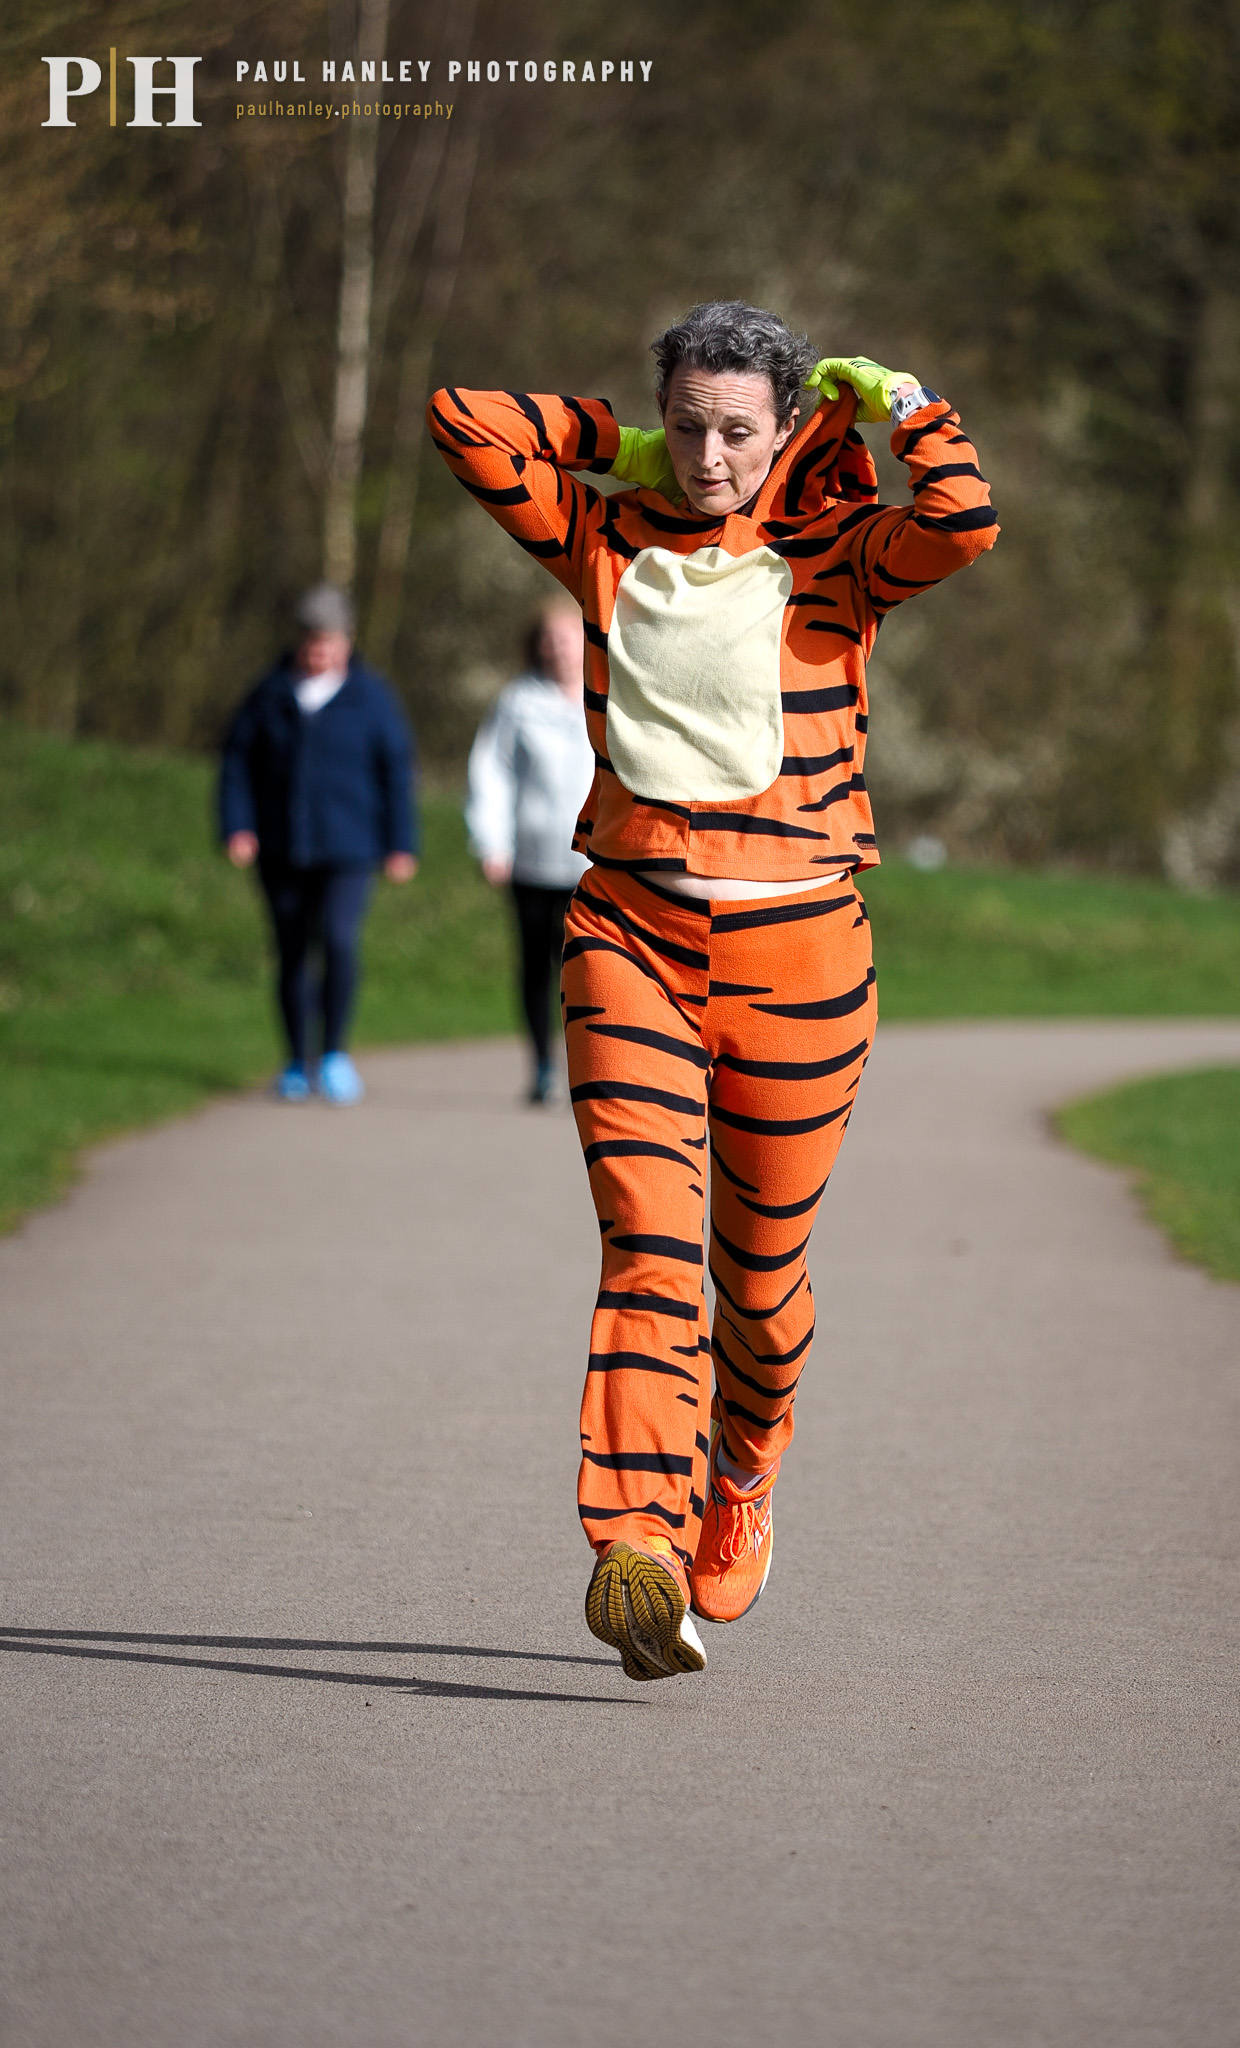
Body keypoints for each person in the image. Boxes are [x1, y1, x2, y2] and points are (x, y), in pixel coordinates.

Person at [429, 303, 996, 1680]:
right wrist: (612, 443)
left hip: (802, 959)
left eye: (737, 430)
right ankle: (636, 1541)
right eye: (683, 427)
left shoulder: (840, 559)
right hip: (628, 937)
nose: (706, 458)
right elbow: (465, 419)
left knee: (761, 1277)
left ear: (788, 426)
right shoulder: (606, 534)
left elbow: (964, 520)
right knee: (647, 1242)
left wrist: (910, 403)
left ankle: (743, 1464)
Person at [218, 584, 419, 1105]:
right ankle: (293, 1059)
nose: (318, 653)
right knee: (290, 951)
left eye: (328, 643)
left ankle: (333, 1054)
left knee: (338, 940)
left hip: (351, 847)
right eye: (311, 643)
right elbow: (237, 764)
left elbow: (395, 773)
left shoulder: (372, 697)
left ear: (347, 642)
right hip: (283, 847)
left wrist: (401, 843)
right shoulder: (268, 694)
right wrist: (237, 826)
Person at [465, 596, 594, 1103]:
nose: (557, 648)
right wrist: (490, 841)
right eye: (549, 639)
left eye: (566, 638)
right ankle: (542, 1067)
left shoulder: (609, 692)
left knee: (587, 971)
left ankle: (590, 1068)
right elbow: (490, 772)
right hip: (531, 861)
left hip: (593, 865)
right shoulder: (517, 701)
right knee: (535, 968)